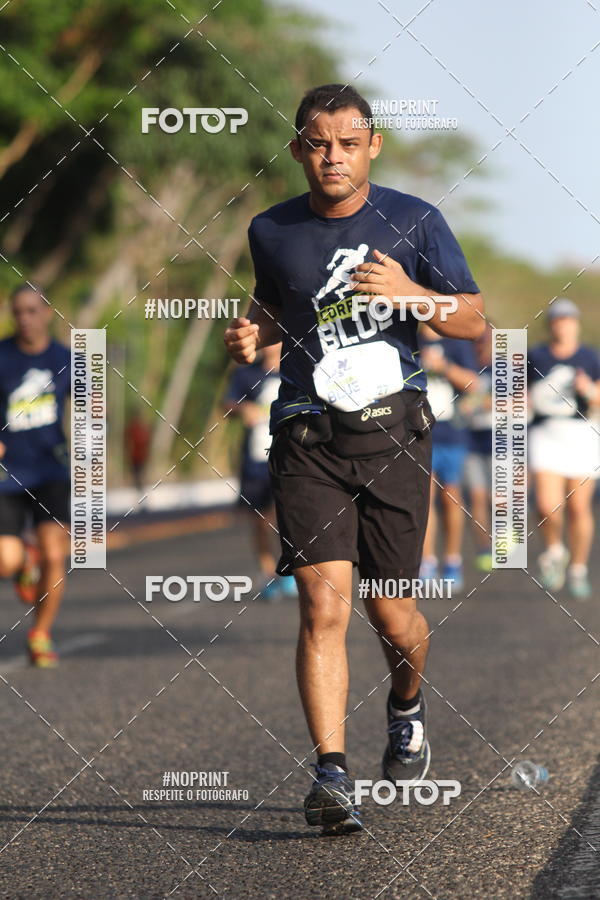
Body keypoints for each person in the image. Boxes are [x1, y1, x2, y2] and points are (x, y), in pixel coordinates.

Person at [224, 84, 484, 834]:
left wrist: (410, 292)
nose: (332, 156)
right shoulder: (270, 228)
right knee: (323, 606)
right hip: (307, 435)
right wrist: (253, 333)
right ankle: (332, 774)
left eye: (347, 142)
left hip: (394, 436)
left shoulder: (415, 220)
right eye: (317, 143)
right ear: (297, 150)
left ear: (373, 146)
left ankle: (406, 703)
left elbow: (473, 318)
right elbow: (278, 304)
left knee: (391, 612)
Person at [0, 284, 71, 667]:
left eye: (32, 310)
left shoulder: (66, 358)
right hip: (8, 473)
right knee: (5, 562)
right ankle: (24, 560)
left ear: (47, 313)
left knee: (55, 553)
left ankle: (40, 634)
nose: (25, 319)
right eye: (18, 312)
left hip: (52, 471)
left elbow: (93, 409)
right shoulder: (2, 356)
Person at [528, 298, 600, 599]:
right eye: (558, 320)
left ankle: (578, 568)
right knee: (547, 505)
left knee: (579, 507)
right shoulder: (536, 356)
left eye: (569, 320)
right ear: (551, 325)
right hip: (545, 434)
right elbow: (519, 393)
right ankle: (555, 550)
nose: (564, 326)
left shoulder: (591, 357)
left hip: (581, 433)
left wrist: (589, 390)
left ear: (576, 324)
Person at [224, 343, 296, 601]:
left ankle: (293, 570)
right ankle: (268, 573)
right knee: (260, 520)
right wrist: (243, 409)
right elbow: (227, 405)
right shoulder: (246, 373)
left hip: (293, 456)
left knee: (288, 515)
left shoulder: (297, 366)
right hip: (256, 458)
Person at [418, 323, 480, 591]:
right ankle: (426, 562)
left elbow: (473, 383)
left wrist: (443, 366)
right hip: (419, 434)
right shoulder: (408, 339)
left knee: (451, 497)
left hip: (452, 433)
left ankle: (453, 560)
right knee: (424, 497)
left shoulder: (456, 342)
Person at [462, 324, 494, 572]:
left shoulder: (508, 368)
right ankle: (484, 549)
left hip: (501, 439)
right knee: (477, 497)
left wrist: (487, 402)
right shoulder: (466, 366)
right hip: (471, 438)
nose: (481, 343)